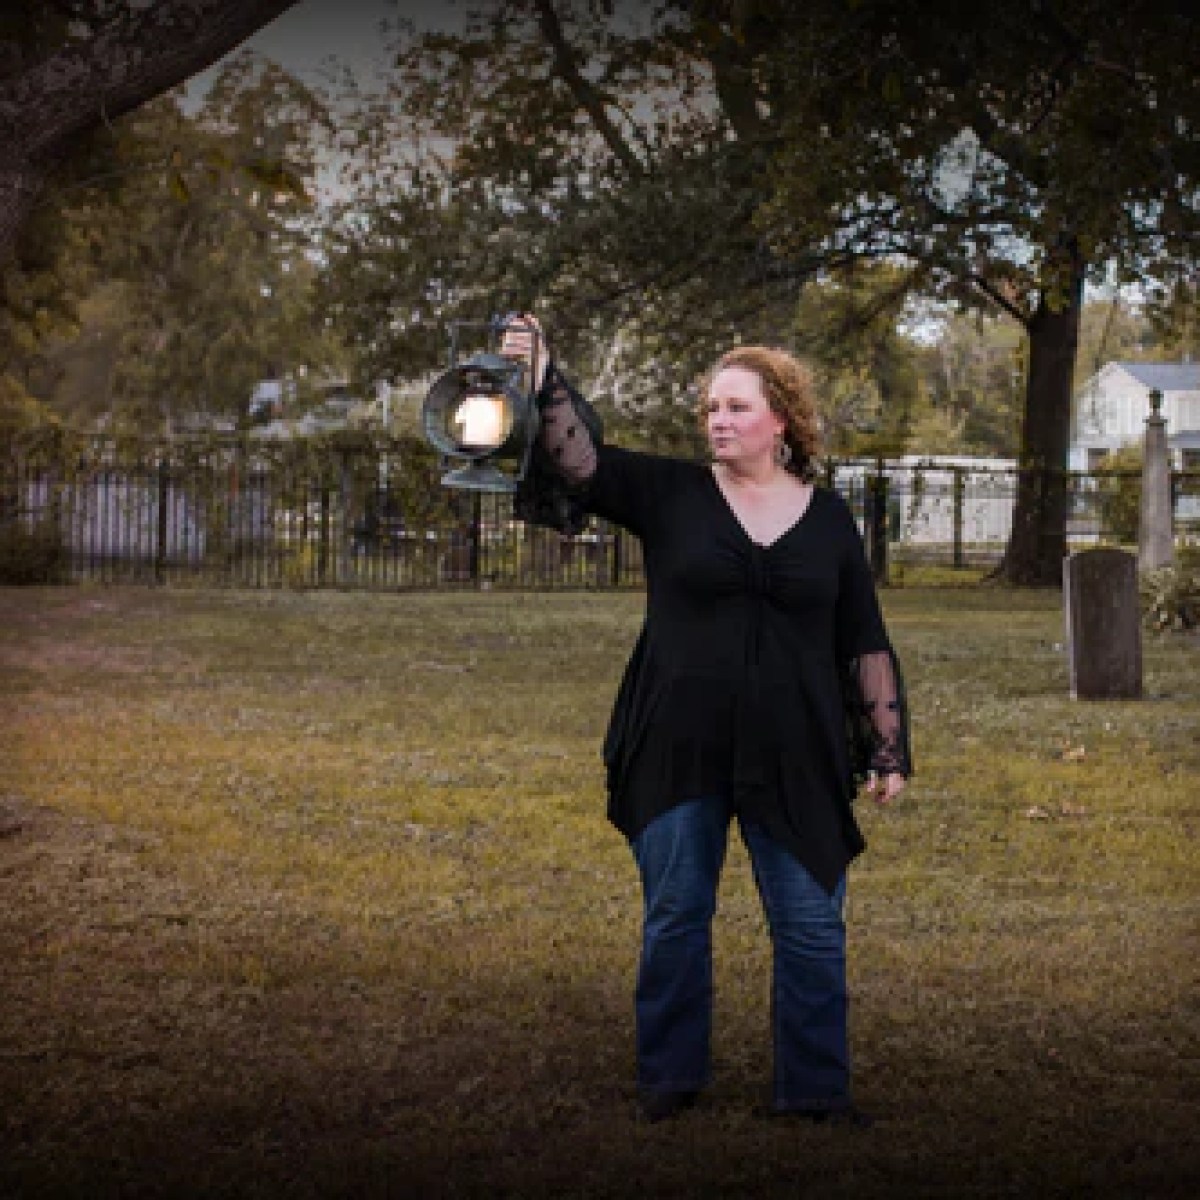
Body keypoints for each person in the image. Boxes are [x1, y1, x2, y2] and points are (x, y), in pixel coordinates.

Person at [501, 315, 911, 1126]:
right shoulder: (671, 495)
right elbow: (578, 460)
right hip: (679, 742)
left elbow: (862, 636)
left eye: (735, 406)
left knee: (809, 927)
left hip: (796, 750)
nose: (718, 420)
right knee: (678, 915)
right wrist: (546, 370)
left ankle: (815, 1089)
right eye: (711, 408)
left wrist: (887, 747)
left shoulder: (828, 520)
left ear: (780, 421)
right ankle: (670, 1078)